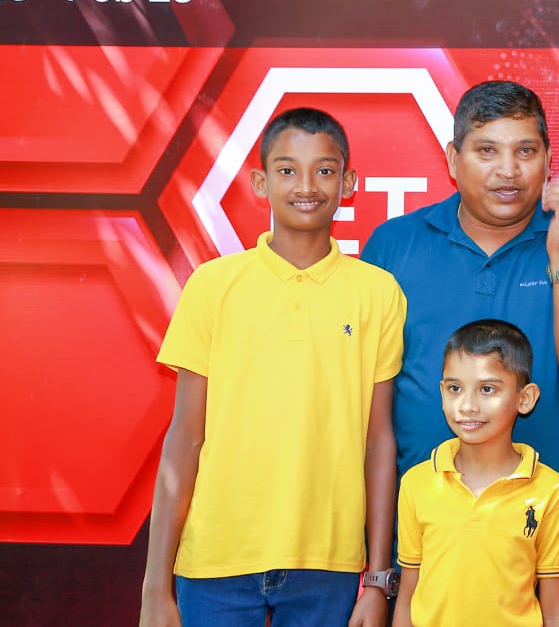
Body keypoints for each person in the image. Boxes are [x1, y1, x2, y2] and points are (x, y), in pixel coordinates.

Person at [361, 80, 559, 627]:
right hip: (425, 564)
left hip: (546, 564)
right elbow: (373, 418)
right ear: (453, 159)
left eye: (525, 151)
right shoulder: (393, 246)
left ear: (548, 160)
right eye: (487, 151)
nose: (508, 170)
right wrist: (378, 573)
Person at [139, 107, 406, 627]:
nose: (306, 185)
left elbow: (379, 442)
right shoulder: (214, 286)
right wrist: (156, 585)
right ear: (260, 182)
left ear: (348, 182)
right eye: (287, 170)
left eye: (325, 170)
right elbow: (185, 437)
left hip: (327, 564)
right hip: (216, 558)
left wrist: (376, 579)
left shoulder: (378, 293)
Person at [395, 319, 559, 627]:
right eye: (454, 388)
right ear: (442, 392)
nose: (466, 405)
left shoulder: (550, 491)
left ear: (525, 398)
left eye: (487, 389)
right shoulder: (417, 483)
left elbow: (556, 609)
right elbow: (409, 593)